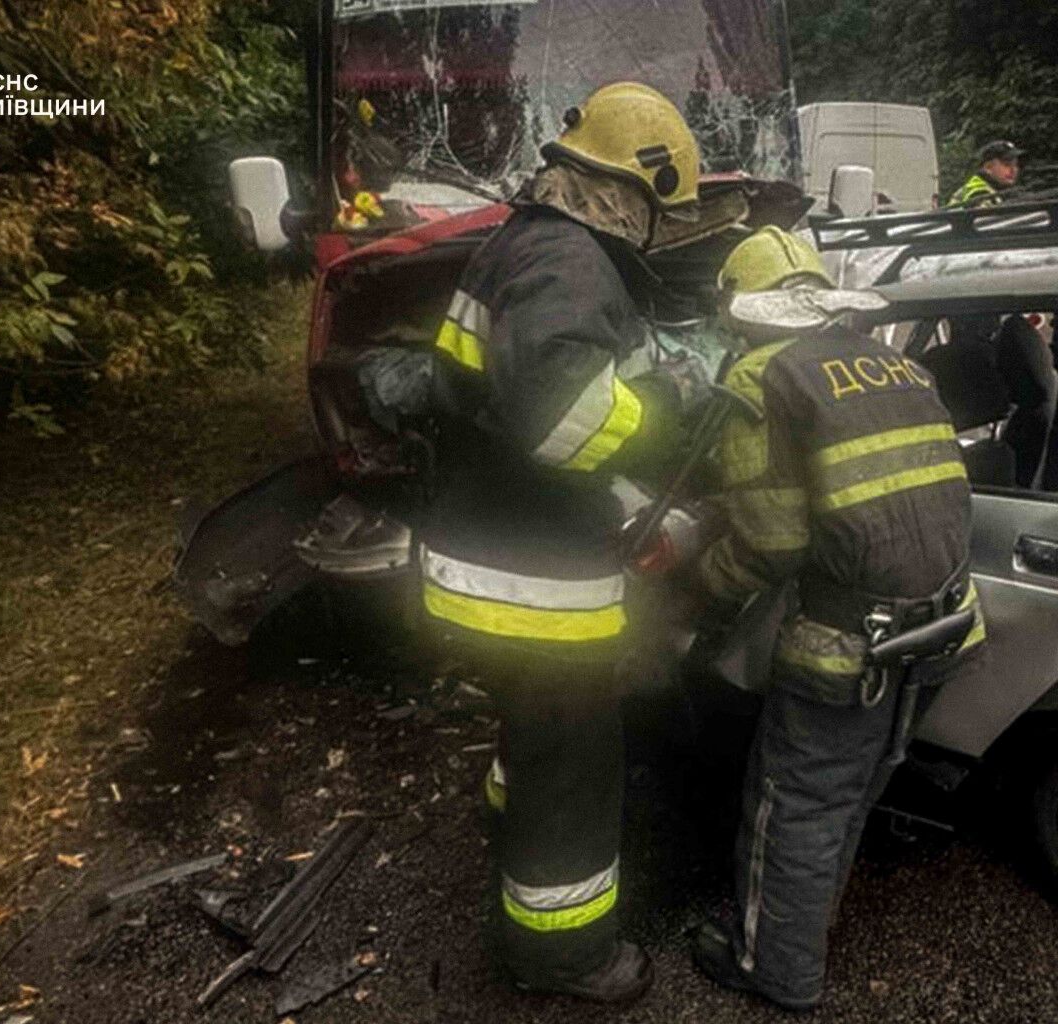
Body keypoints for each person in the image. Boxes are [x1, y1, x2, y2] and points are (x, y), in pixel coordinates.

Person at [421, 81, 708, 1003]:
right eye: (666, 212)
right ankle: (565, 955)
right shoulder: (572, 263)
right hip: (535, 585)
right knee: (573, 768)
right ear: (638, 190)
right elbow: (565, 423)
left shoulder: (518, 243)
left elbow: (500, 410)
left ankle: (508, 820)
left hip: (485, 555)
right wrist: (672, 404)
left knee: (533, 735)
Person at [686, 226, 985, 1011]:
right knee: (855, 787)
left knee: (796, 805)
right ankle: (805, 926)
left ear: (743, 308)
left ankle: (773, 970)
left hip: (852, 644)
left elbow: (773, 543)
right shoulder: (899, 363)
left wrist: (698, 587)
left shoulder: (760, 380)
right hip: (946, 624)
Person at [946, 139, 1021, 207]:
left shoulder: (997, 190)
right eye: (1007, 165)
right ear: (988, 167)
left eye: (1015, 165)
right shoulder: (980, 194)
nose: (1013, 170)